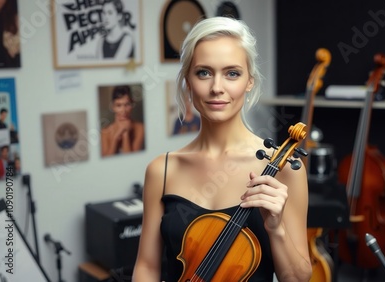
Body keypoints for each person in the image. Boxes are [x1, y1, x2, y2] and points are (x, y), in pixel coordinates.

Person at [132, 17, 312, 281]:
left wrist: (277, 229)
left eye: (232, 73)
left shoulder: (285, 170)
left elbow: (297, 279)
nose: (217, 88)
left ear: (249, 81)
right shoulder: (162, 170)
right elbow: (147, 267)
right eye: (203, 72)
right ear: (188, 81)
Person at [101, 85, 144, 157]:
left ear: (132, 105)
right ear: (113, 107)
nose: (123, 111)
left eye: (127, 104)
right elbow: (106, 163)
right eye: (118, 105)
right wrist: (115, 137)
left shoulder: (140, 128)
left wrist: (125, 133)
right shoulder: (104, 132)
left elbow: (131, 161)